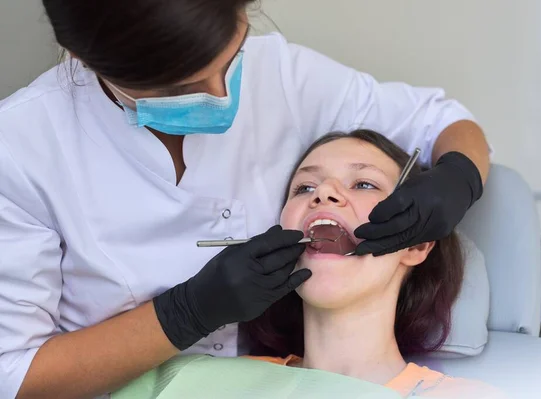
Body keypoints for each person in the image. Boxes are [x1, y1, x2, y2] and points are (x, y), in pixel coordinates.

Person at [0, 1, 490, 398]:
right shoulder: (22, 147)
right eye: (303, 186)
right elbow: (13, 376)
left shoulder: (280, 76)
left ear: (417, 246)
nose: (220, 93)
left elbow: (440, 122)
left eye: (231, 60)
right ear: (83, 57)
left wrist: (460, 177)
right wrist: (185, 313)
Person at [239, 130, 502, 397]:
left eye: (364, 184)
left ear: (415, 244)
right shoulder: (226, 381)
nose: (323, 191)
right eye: (304, 187)